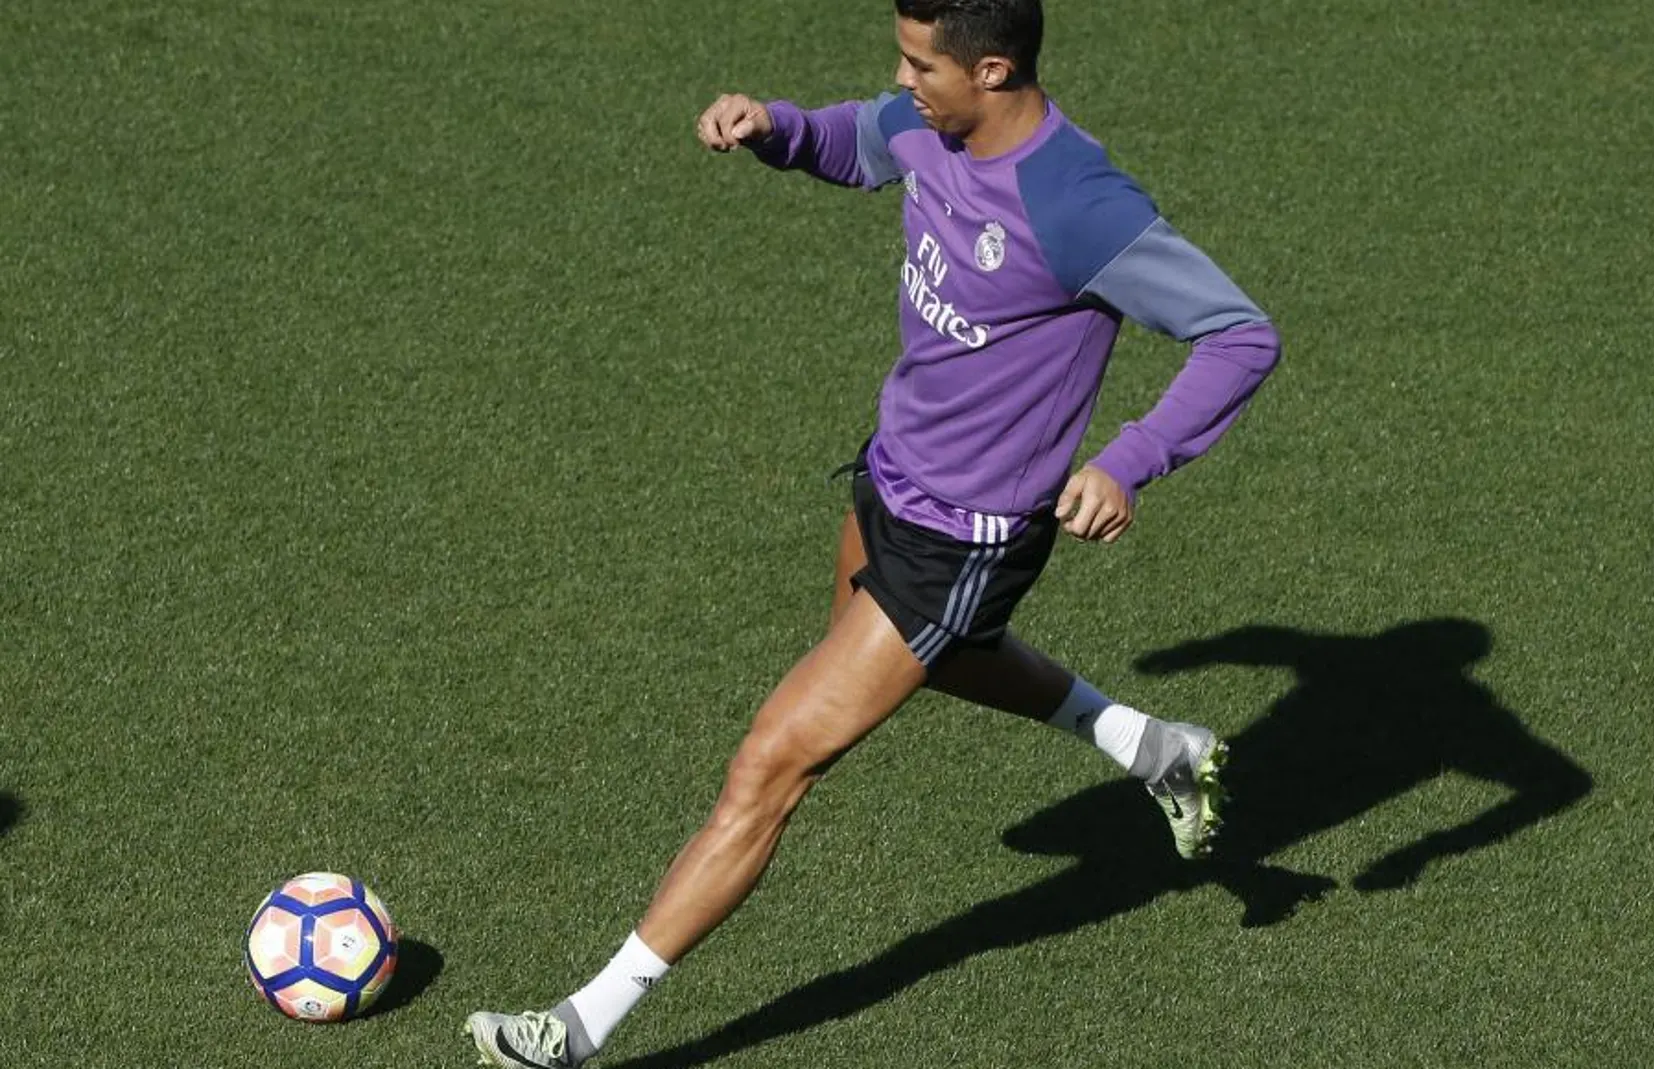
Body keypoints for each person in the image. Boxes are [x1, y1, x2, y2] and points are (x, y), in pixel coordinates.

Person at [466, 1, 1280, 1064]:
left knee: (770, 762)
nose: (901, 81)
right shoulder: (928, 124)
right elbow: (852, 138)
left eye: (917, 63)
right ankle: (1154, 747)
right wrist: (773, 129)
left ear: (992, 70)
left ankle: (576, 1027)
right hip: (892, 475)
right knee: (937, 662)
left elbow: (1238, 334)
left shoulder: (1074, 201)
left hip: (968, 539)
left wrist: (1128, 462)